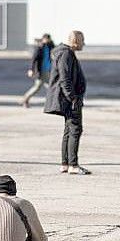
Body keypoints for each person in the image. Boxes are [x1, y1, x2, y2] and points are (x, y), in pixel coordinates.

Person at [43, 31, 90, 175]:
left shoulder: (64, 52)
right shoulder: (66, 53)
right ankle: (73, 165)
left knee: (69, 130)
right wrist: (73, 97)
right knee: (75, 130)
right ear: (75, 40)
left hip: (67, 98)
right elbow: (65, 78)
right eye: (82, 40)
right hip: (69, 100)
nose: (84, 43)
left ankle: (65, 163)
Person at [20, 34, 55, 108]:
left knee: (48, 87)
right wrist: (31, 69)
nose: (46, 41)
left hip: (48, 70)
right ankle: (25, 99)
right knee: (41, 87)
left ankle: (53, 103)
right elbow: (34, 59)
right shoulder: (39, 48)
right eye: (45, 39)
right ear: (43, 39)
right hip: (41, 70)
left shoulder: (50, 46)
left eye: (48, 39)